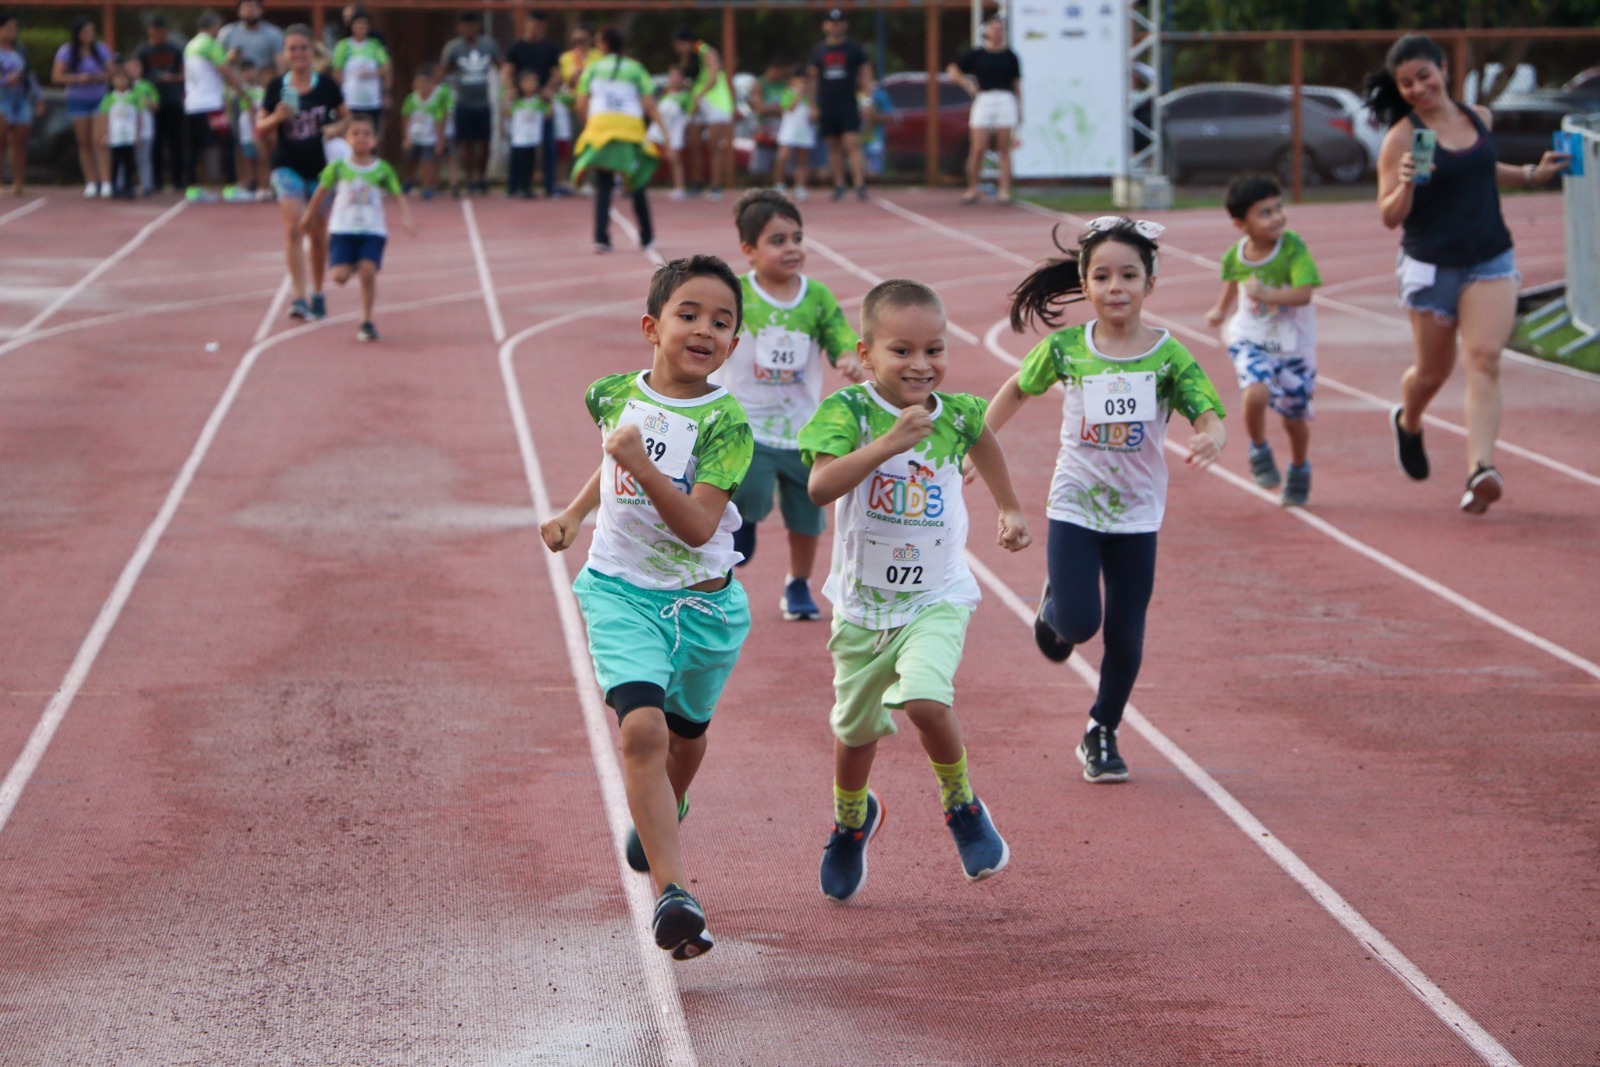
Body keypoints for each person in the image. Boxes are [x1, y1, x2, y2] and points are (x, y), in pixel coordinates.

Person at [540, 254, 755, 962]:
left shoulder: (727, 422)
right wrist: (575, 514)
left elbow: (697, 525)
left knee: (685, 741)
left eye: (721, 322)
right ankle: (674, 894)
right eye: (688, 314)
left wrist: (639, 463)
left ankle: (669, 804)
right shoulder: (609, 394)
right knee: (641, 730)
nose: (704, 330)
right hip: (621, 591)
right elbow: (613, 460)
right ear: (651, 327)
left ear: (733, 342)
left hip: (704, 606)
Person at [797, 279, 1030, 902]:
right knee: (855, 733)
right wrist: (886, 445)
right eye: (902, 351)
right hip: (863, 607)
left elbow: (984, 439)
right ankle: (851, 821)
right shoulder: (847, 413)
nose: (921, 364)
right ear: (866, 353)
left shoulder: (957, 413)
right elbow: (820, 488)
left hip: (936, 596)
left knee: (926, 698)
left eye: (935, 350)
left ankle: (963, 805)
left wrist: (1009, 507)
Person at [981, 217, 1227, 784]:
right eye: (1102, 276)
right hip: (1076, 504)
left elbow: (1208, 413)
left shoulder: (1169, 357)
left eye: (1129, 275)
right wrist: (980, 444)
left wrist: (1212, 436)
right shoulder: (1067, 348)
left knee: (1126, 634)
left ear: (1150, 283)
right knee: (1079, 624)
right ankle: (1055, 610)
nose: (1116, 287)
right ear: (1085, 285)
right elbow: (1017, 388)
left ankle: (1101, 729)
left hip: (1138, 512)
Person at [1367, 34, 1569, 515]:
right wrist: (1405, 183)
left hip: (1489, 257)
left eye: (1424, 76)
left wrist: (1529, 174)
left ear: (1443, 70)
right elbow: (1390, 216)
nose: (1418, 88)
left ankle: (1481, 469)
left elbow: (1479, 168)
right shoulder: (1402, 138)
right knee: (1432, 373)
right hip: (1431, 264)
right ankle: (1408, 420)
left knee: (1484, 358)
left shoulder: (1478, 117)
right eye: (1407, 83)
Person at [709, 189, 864, 619]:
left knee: (807, 516)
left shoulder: (817, 297)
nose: (792, 248)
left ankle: (798, 584)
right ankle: (741, 530)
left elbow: (839, 336)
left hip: (802, 429)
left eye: (797, 238)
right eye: (778, 241)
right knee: (749, 494)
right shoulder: (736, 294)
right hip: (746, 426)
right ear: (749, 251)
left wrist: (847, 357)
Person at [1203, 175, 1320, 507]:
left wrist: (1266, 293)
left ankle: (1299, 469)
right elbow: (1233, 280)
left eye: (1278, 208)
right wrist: (1220, 309)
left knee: (1294, 420)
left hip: (1293, 347)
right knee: (1255, 392)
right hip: (1251, 338)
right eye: (1265, 213)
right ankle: (1258, 449)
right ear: (1241, 224)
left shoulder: (1293, 247)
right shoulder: (1235, 255)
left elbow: (1304, 293)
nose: (1277, 217)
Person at [258, 23, 347, 320]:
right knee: (293, 227)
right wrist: (275, 118)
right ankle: (298, 297)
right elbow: (259, 128)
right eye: (292, 49)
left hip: (321, 169)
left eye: (303, 48)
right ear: (285, 53)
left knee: (317, 233)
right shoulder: (276, 87)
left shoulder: (327, 86)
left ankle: (318, 292)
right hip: (287, 166)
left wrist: (336, 128)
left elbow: (348, 118)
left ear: (312, 51)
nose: (297, 54)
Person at [302, 115, 412, 343]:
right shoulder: (338, 167)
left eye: (367, 134)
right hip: (342, 229)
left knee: (368, 272)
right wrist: (309, 215)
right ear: (347, 139)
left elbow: (397, 194)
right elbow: (321, 191)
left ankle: (366, 321)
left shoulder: (382, 169)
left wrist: (406, 217)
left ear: (374, 140)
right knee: (339, 277)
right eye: (356, 134)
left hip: (372, 230)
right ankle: (354, 263)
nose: (361, 138)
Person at [572, 27, 662, 254]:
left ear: (604, 45)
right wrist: (664, 131)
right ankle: (647, 237)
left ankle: (600, 238)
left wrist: (590, 126)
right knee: (637, 183)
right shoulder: (636, 68)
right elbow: (649, 104)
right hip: (630, 129)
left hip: (601, 127)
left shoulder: (592, 68)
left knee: (604, 184)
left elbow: (581, 104)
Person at [948, 17, 1021, 204]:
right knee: (978, 147)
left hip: (1005, 99)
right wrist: (966, 84)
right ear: (986, 31)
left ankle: (1004, 191)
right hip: (984, 98)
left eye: (1000, 29)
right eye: (994, 29)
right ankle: (972, 189)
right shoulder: (977, 54)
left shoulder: (1010, 56)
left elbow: (1017, 83)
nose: (997, 32)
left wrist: (1020, 107)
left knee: (1004, 148)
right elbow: (953, 69)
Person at [807, 9, 873, 201]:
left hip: (848, 103)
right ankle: (839, 185)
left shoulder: (854, 49)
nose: (835, 26)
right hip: (827, 104)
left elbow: (865, 74)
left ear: (845, 25)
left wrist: (866, 100)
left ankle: (859, 184)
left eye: (838, 22)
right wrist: (812, 104)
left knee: (852, 143)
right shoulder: (818, 50)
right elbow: (812, 78)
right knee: (833, 145)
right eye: (831, 23)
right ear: (825, 26)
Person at [184, 10, 244, 202]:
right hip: (211, 104)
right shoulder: (211, 44)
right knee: (227, 142)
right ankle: (231, 187)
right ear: (213, 26)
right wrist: (243, 92)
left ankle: (193, 188)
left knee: (195, 147)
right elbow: (224, 69)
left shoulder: (191, 45)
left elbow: (207, 69)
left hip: (192, 104)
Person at [440, 11, 502, 196]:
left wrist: (505, 87)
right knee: (465, 144)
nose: (469, 30)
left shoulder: (488, 45)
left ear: (478, 27)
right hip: (463, 102)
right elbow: (444, 70)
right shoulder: (453, 47)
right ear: (459, 28)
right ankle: (468, 178)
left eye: (472, 26)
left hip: (483, 102)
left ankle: (481, 177)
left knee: (485, 142)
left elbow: (501, 65)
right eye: (465, 26)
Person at [52, 16, 112, 198]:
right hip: (77, 99)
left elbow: (112, 72)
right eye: (85, 31)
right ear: (77, 33)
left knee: (99, 141)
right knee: (84, 142)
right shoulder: (66, 51)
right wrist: (78, 78)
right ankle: (91, 182)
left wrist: (99, 77)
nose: (89, 35)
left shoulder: (101, 49)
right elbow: (57, 77)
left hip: (99, 98)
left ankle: (106, 181)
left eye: (92, 31)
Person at [671, 27, 734, 201]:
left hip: (715, 101)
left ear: (687, 42)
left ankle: (716, 186)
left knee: (714, 145)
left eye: (680, 45)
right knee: (693, 143)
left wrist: (700, 95)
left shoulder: (705, 50)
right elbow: (688, 79)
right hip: (697, 102)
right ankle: (696, 183)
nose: (678, 49)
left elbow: (713, 77)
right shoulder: (687, 58)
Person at [504, 10, 561, 198]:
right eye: (533, 26)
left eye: (540, 27)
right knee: (518, 147)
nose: (537, 30)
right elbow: (507, 71)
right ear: (527, 25)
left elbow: (557, 73)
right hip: (521, 103)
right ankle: (514, 186)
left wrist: (548, 90)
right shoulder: (516, 47)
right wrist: (511, 90)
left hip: (540, 102)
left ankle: (549, 186)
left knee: (547, 145)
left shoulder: (550, 47)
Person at [136, 14, 185, 192]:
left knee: (176, 142)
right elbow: (138, 75)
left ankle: (178, 180)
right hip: (153, 103)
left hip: (173, 100)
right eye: (154, 31)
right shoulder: (143, 51)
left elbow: (184, 74)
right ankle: (156, 181)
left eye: (161, 31)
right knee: (155, 143)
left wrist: (171, 78)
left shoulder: (175, 50)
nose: (158, 34)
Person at [330, 8, 388, 135]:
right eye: (358, 23)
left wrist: (373, 74)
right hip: (351, 99)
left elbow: (386, 67)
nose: (362, 27)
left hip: (372, 100)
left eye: (365, 24)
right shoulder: (343, 46)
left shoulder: (375, 45)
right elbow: (337, 72)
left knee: (372, 132)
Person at [1, 12, 38, 197]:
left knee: (20, 142)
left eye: (15, 27)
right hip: (2, 97)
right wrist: (5, 80)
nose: (12, 31)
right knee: (1, 141)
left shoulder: (20, 49)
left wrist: (38, 96)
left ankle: (18, 183)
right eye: (8, 27)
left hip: (21, 98)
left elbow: (28, 73)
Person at [400, 63, 445, 198]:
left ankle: (426, 186)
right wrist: (406, 137)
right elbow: (405, 118)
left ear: (431, 84)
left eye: (425, 83)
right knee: (411, 160)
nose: (422, 86)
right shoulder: (411, 100)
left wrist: (439, 140)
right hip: (414, 137)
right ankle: (409, 179)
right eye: (419, 83)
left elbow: (438, 121)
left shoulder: (434, 102)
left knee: (427, 162)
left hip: (428, 138)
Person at [646, 66, 690, 200]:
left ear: (682, 79)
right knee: (645, 156)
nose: (673, 79)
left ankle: (679, 188)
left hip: (673, 132)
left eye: (676, 76)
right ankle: (635, 185)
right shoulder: (664, 94)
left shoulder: (686, 96)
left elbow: (690, 112)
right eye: (671, 76)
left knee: (673, 159)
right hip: (656, 130)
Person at [99, 62, 140, 199]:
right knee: (115, 162)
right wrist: (105, 133)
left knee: (129, 161)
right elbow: (104, 116)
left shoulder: (133, 97)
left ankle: (129, 186)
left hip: (129, 134)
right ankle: (114, 186)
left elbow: (138, 116)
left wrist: (137, 133)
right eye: (118, 78)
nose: (121, 81)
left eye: (124, 78)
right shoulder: (109, 98)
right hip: (115, 134)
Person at [505, 68, 548, 198]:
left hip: (533, 138)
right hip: (518, 137)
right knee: (517, 163)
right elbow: (507, 113)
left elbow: (548, 115)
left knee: (530, 164)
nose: (531, 84)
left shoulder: (538, 101)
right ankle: (513, 187)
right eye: (527, 81)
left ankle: (526, 188)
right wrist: (508, 99)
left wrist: (549, 101)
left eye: (534, 81)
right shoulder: (517, 101)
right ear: (520, 84)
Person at [774, 68, 815, 199]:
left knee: (802, 160)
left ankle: (800, 186)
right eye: (799, 80)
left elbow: (813, 113)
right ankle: (779, 184)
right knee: (783, 157)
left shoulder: (809, 96)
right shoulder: (787, 93)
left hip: (803, 130)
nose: (802, 83)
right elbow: (789, 108)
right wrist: (798, 95)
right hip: (789, 129)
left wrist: (814, 113)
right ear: (791, 81)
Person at [748, 60, 789, 186]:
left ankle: (778, 184)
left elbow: (788, 108)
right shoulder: (759, 84)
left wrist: (771, 108)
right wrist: (777, 109)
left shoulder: (784, 84)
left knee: (780, 161)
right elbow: (760, 108)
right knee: (759, 171)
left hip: (782, 128)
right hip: (764, 130)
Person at [233, 60, 269, 198]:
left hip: (260, 129)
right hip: (246, 130)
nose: (249, 74)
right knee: (247, 157)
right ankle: (248, 183)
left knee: (261, 157)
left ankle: (262, 184)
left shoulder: (261, 91)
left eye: (251, 70)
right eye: (245, 71)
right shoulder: (241, 90)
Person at [124, 55, 159, 196]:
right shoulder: (121, 88)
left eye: (136, 67)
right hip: (125, 130)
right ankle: (123, 184)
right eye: (129, 68)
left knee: (144, 158)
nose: (133, 71)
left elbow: (156, 105)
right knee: (124, 158)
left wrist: (149, 102)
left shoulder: (147, 86)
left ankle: (147, 185)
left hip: (145, 128)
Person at [219, 0, 283, 73]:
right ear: (239, 11)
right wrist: (228, 58)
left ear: (261, 10)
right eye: (245, 7)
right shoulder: (227, 33)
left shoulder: (273, 34)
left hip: (262, 78)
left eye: (253, 6)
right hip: (234, 78)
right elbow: (216, 62)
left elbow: (281, 64)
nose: (249, 10)